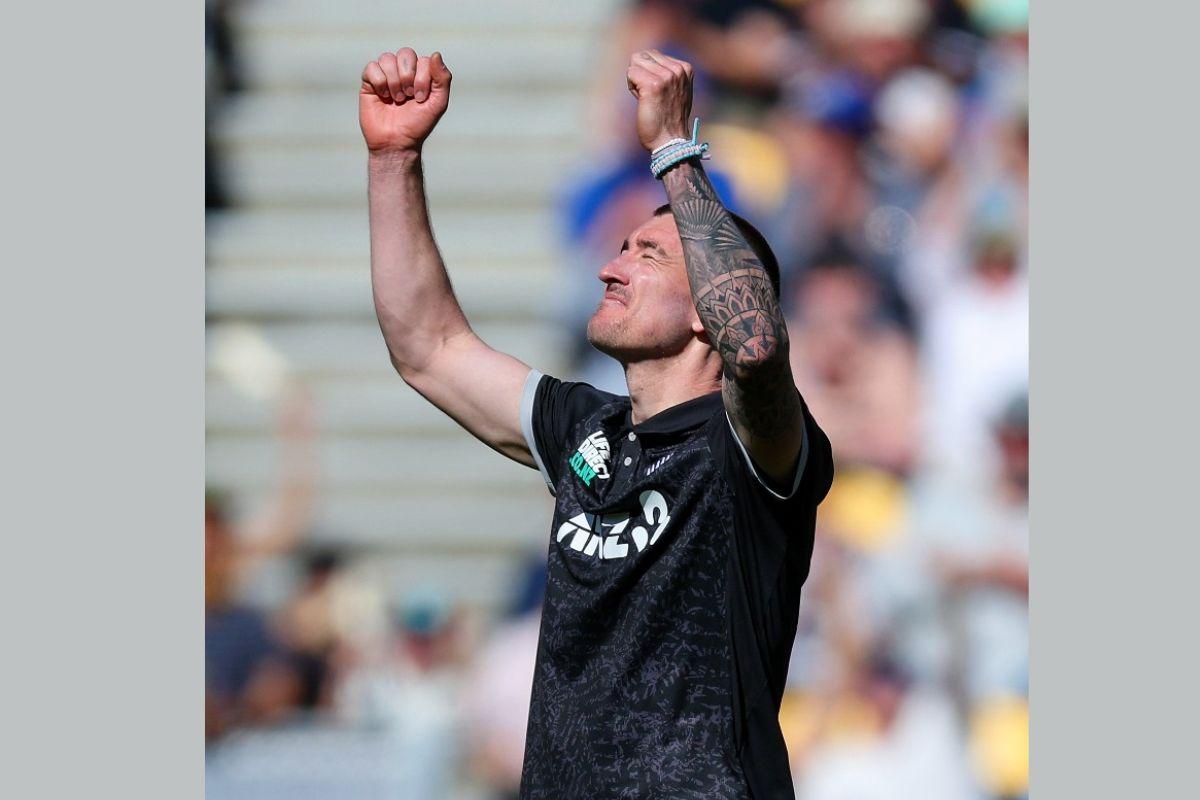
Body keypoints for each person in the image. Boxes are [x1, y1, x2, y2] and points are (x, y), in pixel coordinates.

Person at [359, 46, 834, 799]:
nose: (612, 268)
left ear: (711, 307)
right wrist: (394, 157)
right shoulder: (587, 435)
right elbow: (429, 346)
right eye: (618, 249)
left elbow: (755, 344)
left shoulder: (752, 448)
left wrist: (674, 151)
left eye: (647, 254)